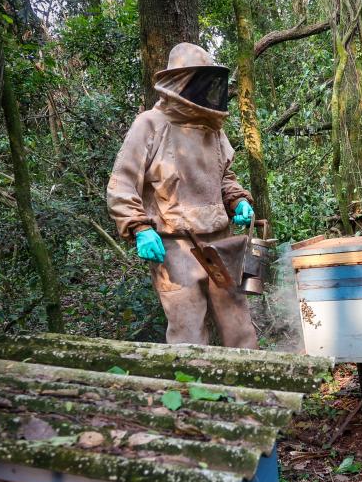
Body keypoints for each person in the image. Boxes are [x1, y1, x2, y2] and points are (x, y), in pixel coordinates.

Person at [107, 43, 257, 349]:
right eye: (199, 81)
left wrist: (238, 200)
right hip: (174, 245)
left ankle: (253, 393)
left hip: (221, 239)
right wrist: (140, 228)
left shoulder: (212, 128)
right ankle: (191, 394)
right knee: (187, 331)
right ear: (182, 82)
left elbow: (224, 176)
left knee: (238, 321)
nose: (205, 89)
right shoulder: (149, 124)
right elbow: (121, 185)